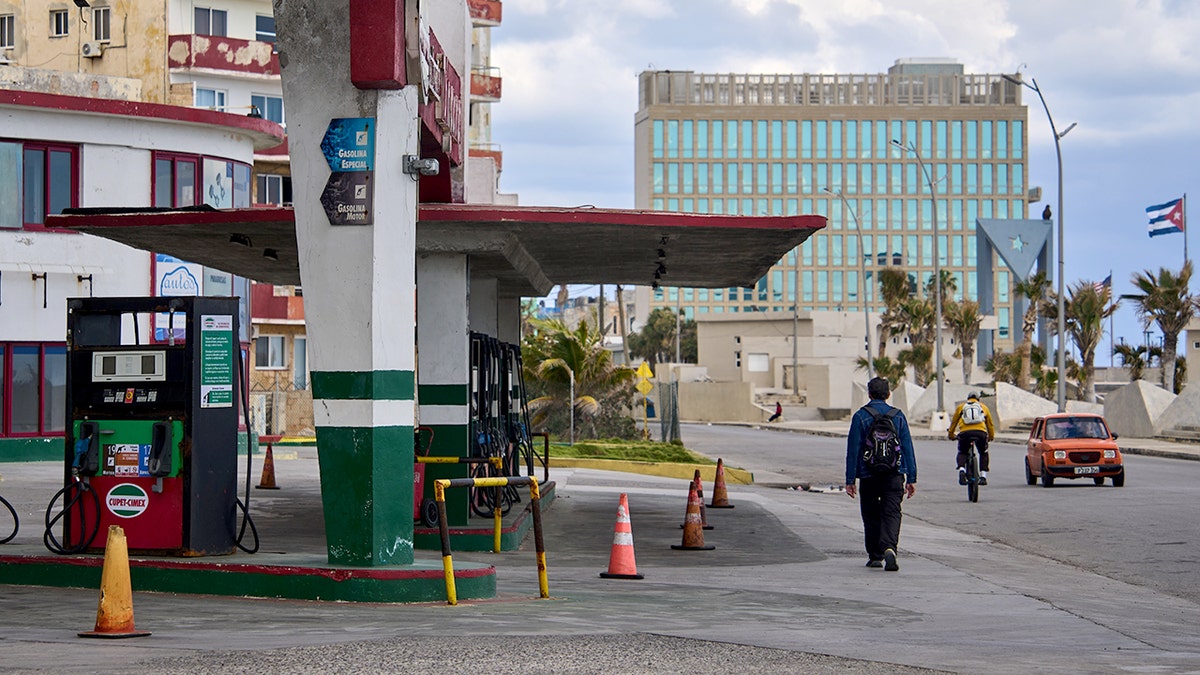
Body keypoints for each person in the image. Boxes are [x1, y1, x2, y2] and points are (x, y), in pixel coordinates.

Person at [845, 377, 917, 571]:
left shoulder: (860, 416)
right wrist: (911, 478)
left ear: (869, 394)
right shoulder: (898, 416)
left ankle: (875, 556)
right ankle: (889, 547)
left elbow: (853, 449)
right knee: (892, 512)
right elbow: (907, 447)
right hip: (894, 474)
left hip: (868, 475)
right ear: (888, 394)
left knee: (870, 514)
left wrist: (850, 479)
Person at [947, 392, 995, 485]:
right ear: (978, 399)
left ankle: (962, 470)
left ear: (968, 398)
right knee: (983, 453)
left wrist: (951, 434)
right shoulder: (983, 407)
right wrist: (991, 436)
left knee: (962, 452)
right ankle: (983, 476)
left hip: (965, 433)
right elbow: (990, 424)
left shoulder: (961, 407)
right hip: (980, 433)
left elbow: (954, 422)